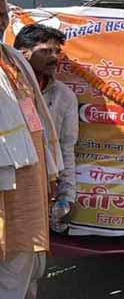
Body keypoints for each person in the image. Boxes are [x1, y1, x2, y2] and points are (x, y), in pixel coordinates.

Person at [0, 0, 64, 299]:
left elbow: (36, 117)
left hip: (27, 171)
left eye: (2, 16)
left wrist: (50, 167)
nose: (0, 22)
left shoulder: (12, 59)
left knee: (24, 249)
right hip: (5, 171)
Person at [14, 25, 79, 225]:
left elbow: (66, 147)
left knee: (31, 250)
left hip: (41, 186)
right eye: (45, 51)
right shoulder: (6, 89)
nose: (54, 57)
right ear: (22, 54)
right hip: (8, 181)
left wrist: (67, 196)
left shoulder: (64, 96)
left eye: (57, 51)